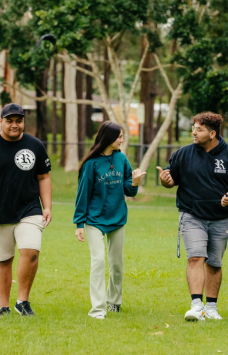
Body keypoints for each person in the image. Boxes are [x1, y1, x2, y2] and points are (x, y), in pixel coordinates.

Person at [157, 112, 228, 321]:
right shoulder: (183, 154)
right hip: (191, 214)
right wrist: (165, 180)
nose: (193, 132)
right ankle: (196, 305)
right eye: (193, 128)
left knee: (215, 263)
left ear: (212, 133)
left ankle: (211, 307)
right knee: (196, 257)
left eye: (198, 129)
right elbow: (171, 180)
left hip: (221, 217)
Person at [0, 103, 52, 317]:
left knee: (31, 251)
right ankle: (3, 306)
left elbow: (44, 177)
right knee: (3, 259)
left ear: (23, 121)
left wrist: (47, 206)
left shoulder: (35, 145)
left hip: (29, 208)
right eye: (10, 120)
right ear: (1, 121)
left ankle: (22, 301)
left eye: (19, 120)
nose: (15, 125)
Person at [74, 121, 146, 319]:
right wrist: (79, 223)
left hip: (117, 218)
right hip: (94, 220)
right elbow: (83, 193)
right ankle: (98, 309)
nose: (122, 139)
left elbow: (128, 189)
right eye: (119, 136)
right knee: (98, 261)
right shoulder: (91, 164)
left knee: (116, 264)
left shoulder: (121, 158)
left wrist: (135, 182)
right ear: (108, 137)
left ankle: (113, 302)